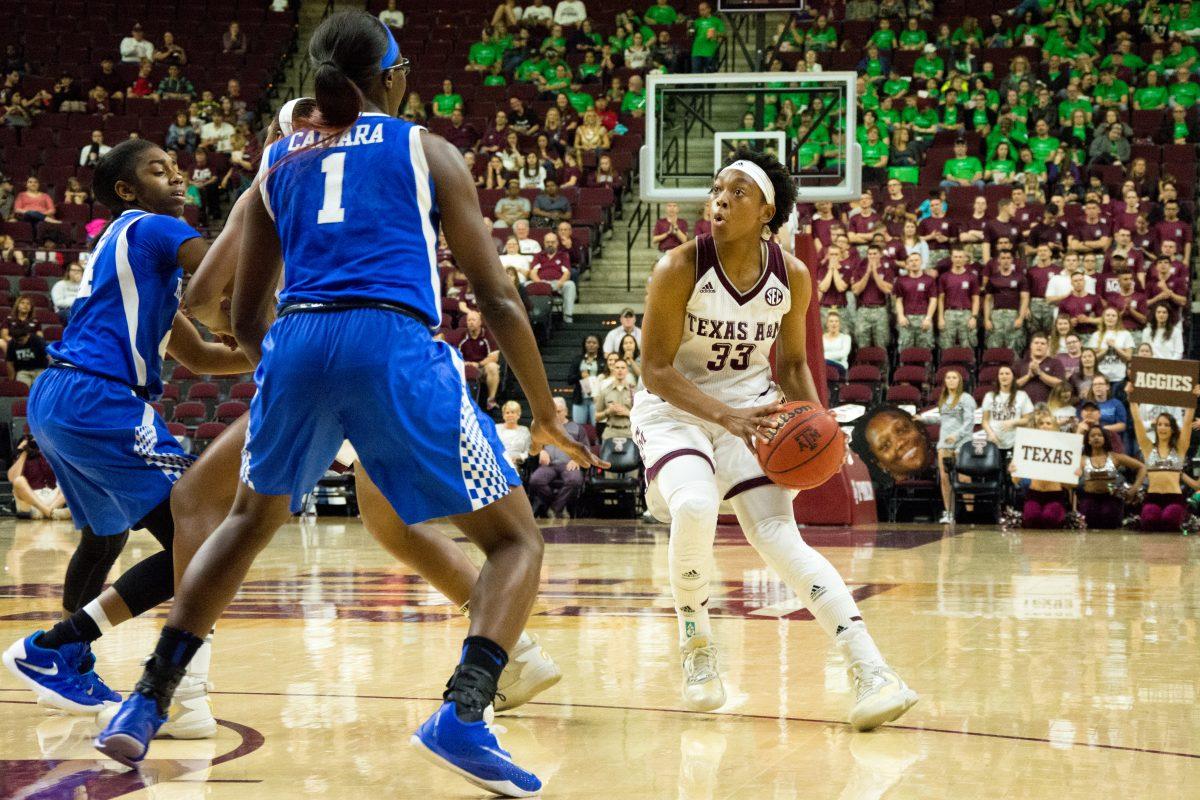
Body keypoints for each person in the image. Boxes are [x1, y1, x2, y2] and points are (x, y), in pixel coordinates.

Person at [96, 20, 601, 795]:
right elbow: (497, 295)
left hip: (298, 340)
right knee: (514, 543)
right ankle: (464, 713)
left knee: (243, 524)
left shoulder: (277, 157)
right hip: (391, 340)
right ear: (393, 79)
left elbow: (239, 308)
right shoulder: (426, 149)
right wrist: (543, 409)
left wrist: (289, 374)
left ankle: (143, 701)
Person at [632, 149, 916, 729]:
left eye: (738, 192)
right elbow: (656, 370)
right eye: (717, 188)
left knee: (778, 535)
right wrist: (725, 417)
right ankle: (697, 647)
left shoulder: (793, 275)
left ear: (767, 211)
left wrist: (818, 426)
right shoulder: (678, 267)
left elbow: (790, 366)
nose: (720, 199)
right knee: (695, 504)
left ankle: (872, 671)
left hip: (752, 410)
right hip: (674, 410)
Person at [1, 140, 250, 728]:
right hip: (101, 396)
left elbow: (207, 358)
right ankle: (63, 649)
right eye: (158, 170)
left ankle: (68, 664)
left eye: (177, 168)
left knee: (104, 539)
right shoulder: (155, 228)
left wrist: (263, 360)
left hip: (59, 398)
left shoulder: (135, 259)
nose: (177, 176)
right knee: (201, 537)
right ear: (126, 191)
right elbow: (222, 271)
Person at [1129, 383, 1199, 532]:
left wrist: (1193, 399)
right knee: (1149, 520)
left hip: (1174, 497)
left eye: (1166, 425)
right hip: (1152, 496)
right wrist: (1132, 398)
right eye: (1159, 424)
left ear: (1172, 429)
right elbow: (1137, 421)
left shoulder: (1180, 448)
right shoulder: (1148, 448)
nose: (1162, 427)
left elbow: (1187, 423)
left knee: (1169, 519)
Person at [528, 397, 592, 519]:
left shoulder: (577, 428)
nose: (556, 415)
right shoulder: (544, 428)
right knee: (535, 481)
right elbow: (534, 445)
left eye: (559, 411)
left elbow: (586, 449)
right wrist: (541, 451)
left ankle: (554, 509)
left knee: (575, 481)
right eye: (553, 412)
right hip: (548, 465)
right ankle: (559, 506)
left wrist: (577, 459)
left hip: (569, 464)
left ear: (566, 412)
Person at [1078, 423, 1144, 529]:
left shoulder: (1115, 457)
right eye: (1093, 436)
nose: (1096, 438)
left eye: (1099, 435)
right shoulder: (1081, 459)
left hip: (1112, 498)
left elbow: (1142, 467)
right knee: (1088, 517)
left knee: (1109, 515)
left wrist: (1135, 488)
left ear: (1105, 439)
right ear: (1088, 440)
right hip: (1089, 498)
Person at [935, 368, 975, 524]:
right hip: (944, 444)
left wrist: (956, 436)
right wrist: (922, 419)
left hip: (962, 443)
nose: (951, 380)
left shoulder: (966, 398)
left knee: (964, 478)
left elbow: (969, 422)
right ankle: (949, 513)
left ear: (959, 381)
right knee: (945, 479)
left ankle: (970, 513)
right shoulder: (943, 399)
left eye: (954, 377)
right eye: (948, 377)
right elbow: (940, 419)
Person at [7, 435, 70, 520]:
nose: (32, 445)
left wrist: (45, 447)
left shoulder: (49, 456)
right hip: (31, 501)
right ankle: (51, 513)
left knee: (70, 482)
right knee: (18, 481)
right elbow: (12, 478)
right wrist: (24, 452)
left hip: (53, 499)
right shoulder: (19, 458)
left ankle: (46, 512)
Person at [981, 365, 1034, 461]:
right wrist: (991, 434)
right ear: (998, 377)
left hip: (1014, 442)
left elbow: (1028, 419)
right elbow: (985, 421)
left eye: (1007, 373)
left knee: (1010, 474)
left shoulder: (1022, 396)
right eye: (1001, 374)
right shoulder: (990, 396)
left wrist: (1013, 422)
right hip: (994, 442)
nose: (1004, 376)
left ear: (1013, 377)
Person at [457, 310, 502, 411]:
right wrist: (465, 363)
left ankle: (491, 400)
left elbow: (494, 357)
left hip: (482, 367)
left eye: (473, 320)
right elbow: (456, 354)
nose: (471, 322)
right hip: (466, 366)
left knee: (493, 367)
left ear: (480, 322)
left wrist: (478, 364)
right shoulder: (463, 335)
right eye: (469, 320)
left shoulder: (488, 335)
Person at [893, 251, 937, 350]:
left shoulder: (929, 280)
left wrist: (928, 318)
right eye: (911, 261)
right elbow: (898, 300)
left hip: (924, 319)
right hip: (906, 320)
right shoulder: (901, 280)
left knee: (925, 351)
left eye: (916, 260)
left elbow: (933, 300)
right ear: (907, 264)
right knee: (905, 350)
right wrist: (900, 316)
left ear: (921, 262)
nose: (914, 263)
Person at [529, 231, 576, 323]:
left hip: (558, 284)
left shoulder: (563, 255)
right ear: (544, 243)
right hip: (541, 282)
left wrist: (560, 283)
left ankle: (567, 316)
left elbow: (566, 273)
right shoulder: (538, 256)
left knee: (570, 285)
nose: (550, 244)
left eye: (553, 242)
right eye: (547, 242)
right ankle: (531, 317)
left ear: (557, 243)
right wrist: (540, 284)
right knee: (525, 285)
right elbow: (533, 273)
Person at [1089, 307, 1135, 394]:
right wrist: (1106, 349)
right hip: (1101, 379)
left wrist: (1115, 347)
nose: (1110, 318)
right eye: (1108, 315)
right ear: (1103, 318)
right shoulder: (1096, 335)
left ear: (1118, 319)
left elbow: (1129, 358)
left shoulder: (1125, 334)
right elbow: (1092, 359)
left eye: (1113, 316)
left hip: (1120, 379)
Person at [1016, 332, 1065, 404]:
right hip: (1023, 406)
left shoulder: (1056, 363)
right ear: (1031, 346)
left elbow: (1060, 384)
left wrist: (1039, 373)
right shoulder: (1020, 363)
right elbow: (1012, 385)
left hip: (1048, 406)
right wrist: (1028, 376)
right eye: (1036, 343)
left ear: (1047, 347)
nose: (1039, 346)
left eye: (1043, 344)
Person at [571, 334, 602, 424]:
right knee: (578, 428)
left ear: (599, 345)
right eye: (588, 342)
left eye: (594, 342)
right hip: (580, 399)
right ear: (584, 344)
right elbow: (570, 379)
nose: (591, 345)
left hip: (597, 399)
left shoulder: (602, 360)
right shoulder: (577, 360)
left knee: (596, 426)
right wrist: (580, 376)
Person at [6, 321, 48, 386]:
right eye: (16, 340)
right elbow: (9, 363)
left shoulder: (38, 341)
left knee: (39, 387)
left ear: (27, 335)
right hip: (23, 371)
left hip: (39, 369)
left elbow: (47, 357)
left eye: (21, 340)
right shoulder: (12, 343)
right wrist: (12, 380)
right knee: (21, 387)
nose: (18, 342)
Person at [497, 401, 532, 468]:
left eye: (513, 412)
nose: (510, 415)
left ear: (518, 415)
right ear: (503, 415)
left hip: (515, 464)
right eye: (507, 413)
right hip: (498, 461)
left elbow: (528, 451)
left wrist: (519, 457)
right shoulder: (496, 428)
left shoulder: (524, 430)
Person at [822, 309, 851, 377]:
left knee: (824, 362)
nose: (834, 324)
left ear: (839, 324)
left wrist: (824, 357)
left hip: (840, 366)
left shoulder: (846, 338)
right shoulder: (821, 338)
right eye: (831, 321)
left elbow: (842, 354)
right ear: (827, 324)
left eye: (836, 321)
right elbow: (817, 354)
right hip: (824, 366)